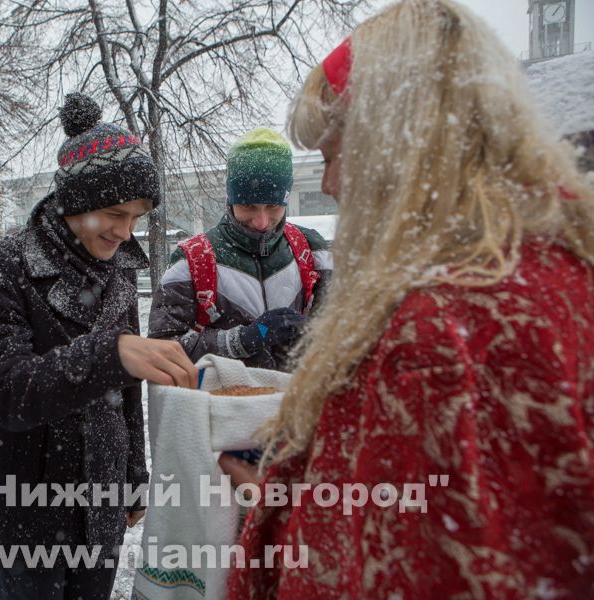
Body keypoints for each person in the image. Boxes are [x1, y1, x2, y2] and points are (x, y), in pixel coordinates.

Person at [227, 1, 594, 598]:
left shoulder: (437, 330)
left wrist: (285, 502)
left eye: (333, 156)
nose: (329, 185)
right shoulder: (548, 276)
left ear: (396, 149)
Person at [0, 92, 198, 600]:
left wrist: (134, 476)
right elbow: (7, 392)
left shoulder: (117, 271)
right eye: (115, 213)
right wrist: (109, 354)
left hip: (102, 505)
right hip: (29, 508)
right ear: (75, 201)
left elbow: (126, 393)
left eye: (137, 217)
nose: (125, 231)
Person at [148, 127, 332, 481]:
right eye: (249, 206)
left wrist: (310, 338)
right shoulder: (192, 261)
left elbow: (344, 332)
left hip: (300, 433)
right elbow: (161, 351)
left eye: (273, 206)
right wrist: (241, 340)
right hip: (224, 441)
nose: (262, 222)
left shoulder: (312, 252)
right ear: (230, 199)